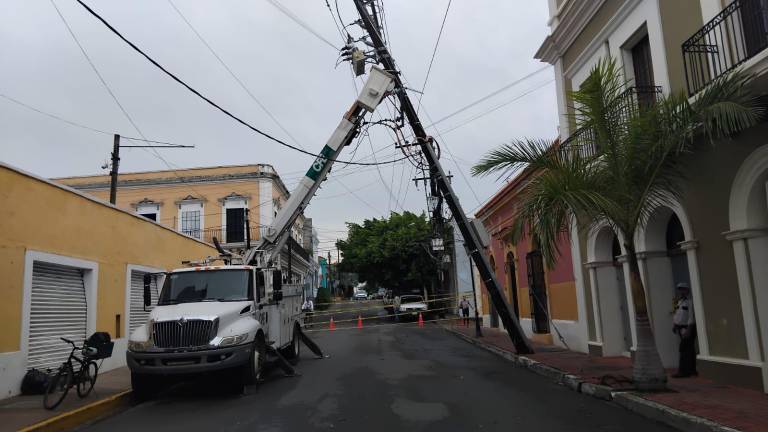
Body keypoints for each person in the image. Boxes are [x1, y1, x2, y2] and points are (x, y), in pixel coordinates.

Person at [672, 282, 697, 378]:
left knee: (683, 349)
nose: (681, 291)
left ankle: (683, 371)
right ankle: (691, 370)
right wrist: (675, 325)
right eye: (680, 289)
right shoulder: (679, 301)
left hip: (688, 328)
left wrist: (689, 329)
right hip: (680, 328)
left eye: (683, 289)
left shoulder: (690, 302)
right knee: (689, 349)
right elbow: (677, 314)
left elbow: (691, 317)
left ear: (687, 290)